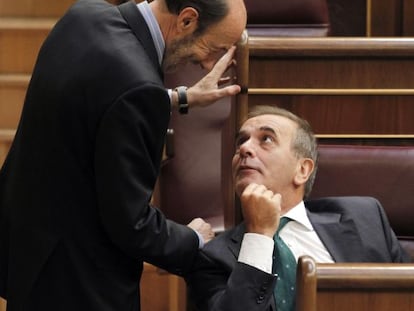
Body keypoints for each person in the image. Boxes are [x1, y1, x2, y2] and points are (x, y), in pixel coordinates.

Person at [0, 0, 247, 310]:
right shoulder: (136, 88)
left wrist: (175, 98)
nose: (209, 65)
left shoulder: (85, 15)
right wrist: (192, 239)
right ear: (186, 20)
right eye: (214, 48)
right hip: (78, 285)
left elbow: (96, 98)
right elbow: (131, 224)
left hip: (32, 255)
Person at [186, 105, 411, 311]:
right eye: (240, 142)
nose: (245, 149)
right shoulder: (213, 258)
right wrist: (259, 236)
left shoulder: (365, 218)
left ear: (302, 170)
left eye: (266, 139)